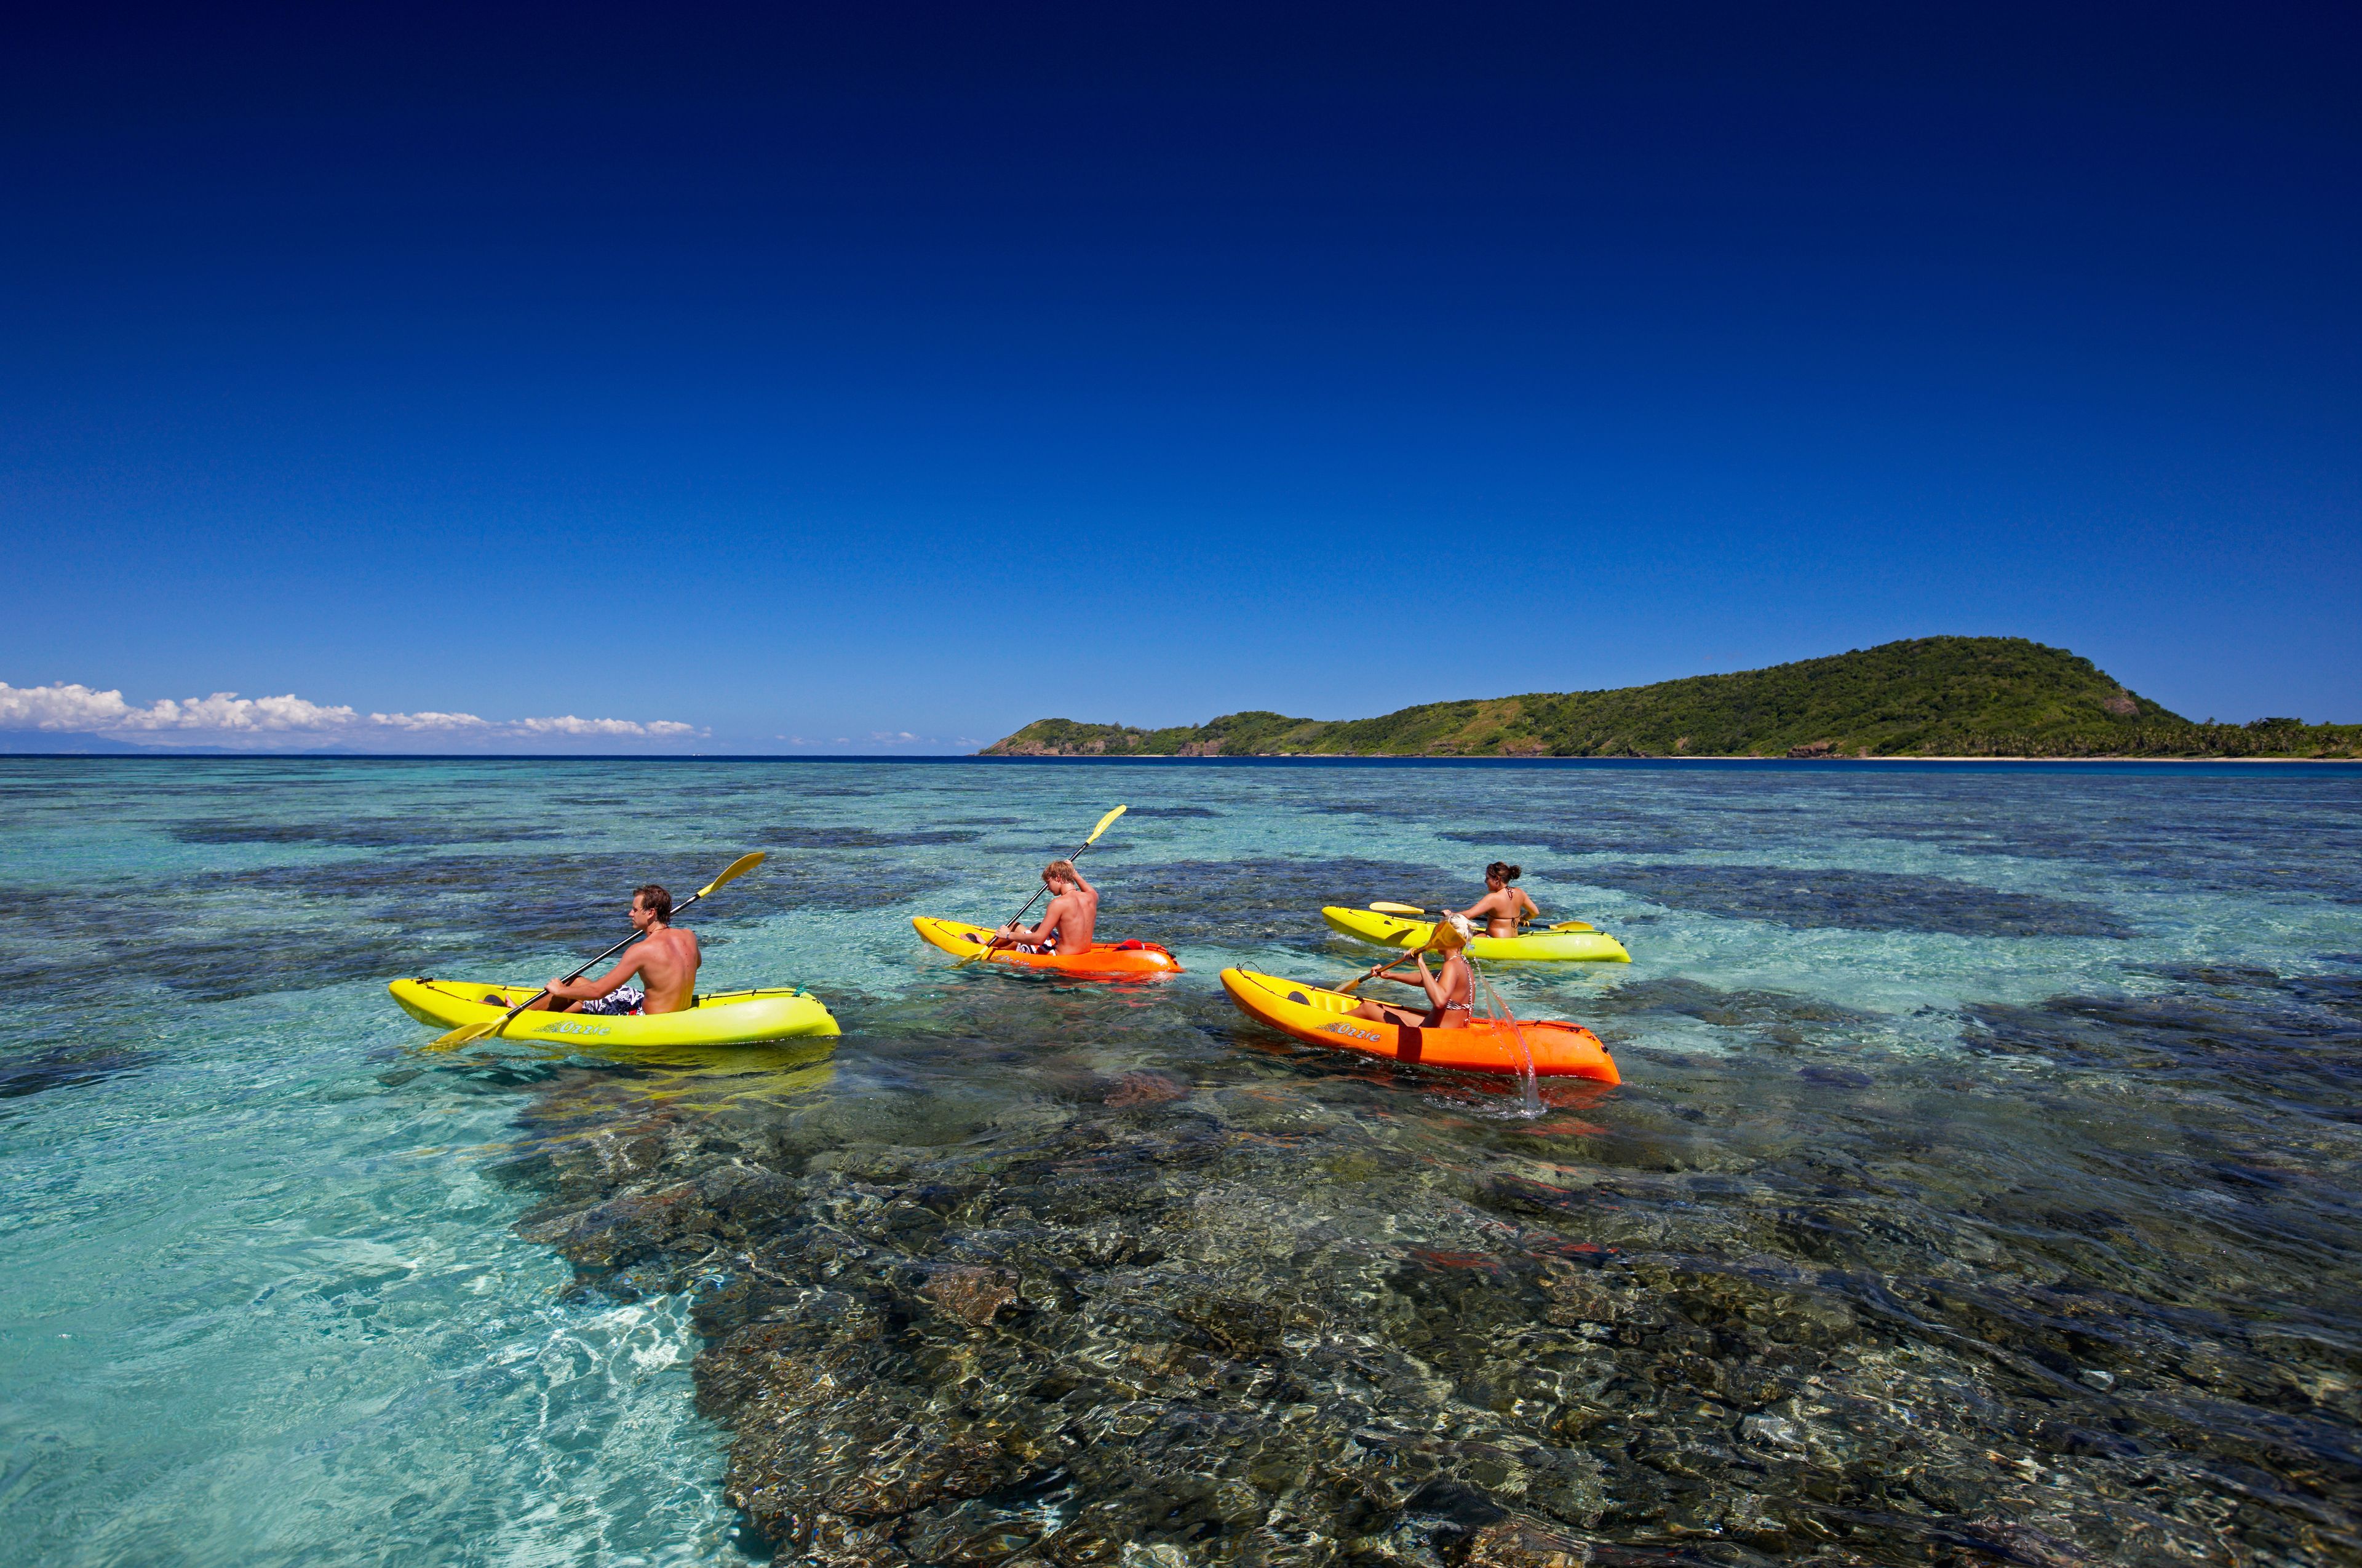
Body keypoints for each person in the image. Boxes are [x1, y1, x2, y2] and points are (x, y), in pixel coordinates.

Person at [525, 883, 701, 1016]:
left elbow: (598, 992)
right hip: (677, 1010)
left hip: (646, 1018)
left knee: (572, 985)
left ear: (650, 913)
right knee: (578, 983)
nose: (630, 914)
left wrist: (560, 991)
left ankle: (525, 1016)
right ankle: (557, 1017)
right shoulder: (688, 936)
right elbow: (695, 964)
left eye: (635, 910)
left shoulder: (641, 950)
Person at [1348, 914, 1475, 1029]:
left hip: (1435, 1035)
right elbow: (1426, 980)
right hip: (1443, 1029)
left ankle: (1331, 1024)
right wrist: (1390, 975)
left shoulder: (1451, 965)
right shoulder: (1462, 964)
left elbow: (1439, 1001)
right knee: (1381, 1008)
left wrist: (1421, 963)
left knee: (1367, 1008)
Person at [990, 860, 1099, 955]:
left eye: (1048, 882)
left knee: (1014, 926)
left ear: (1058, 877)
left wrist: (1008, 935)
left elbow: (1038, 939)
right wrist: (1073, 872)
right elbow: (1085, 886)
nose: (1048, 888)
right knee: (1038, 926)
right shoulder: (1092, 897)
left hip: (1062, 956)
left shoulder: (1058, 903)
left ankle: (987, 946)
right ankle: (1000, 946)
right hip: (1083, 952)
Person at [1457, 861, 1540, 939]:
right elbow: (1535, 913)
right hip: (1513, 939)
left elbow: (1468, 915)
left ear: (1497, 879)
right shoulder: (1520, 892)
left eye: (1487, 878)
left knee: (1457, 932)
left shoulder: (1493, 898)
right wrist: (1524, 918)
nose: (1485, 881)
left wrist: (1451, 914)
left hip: (1495, 939)